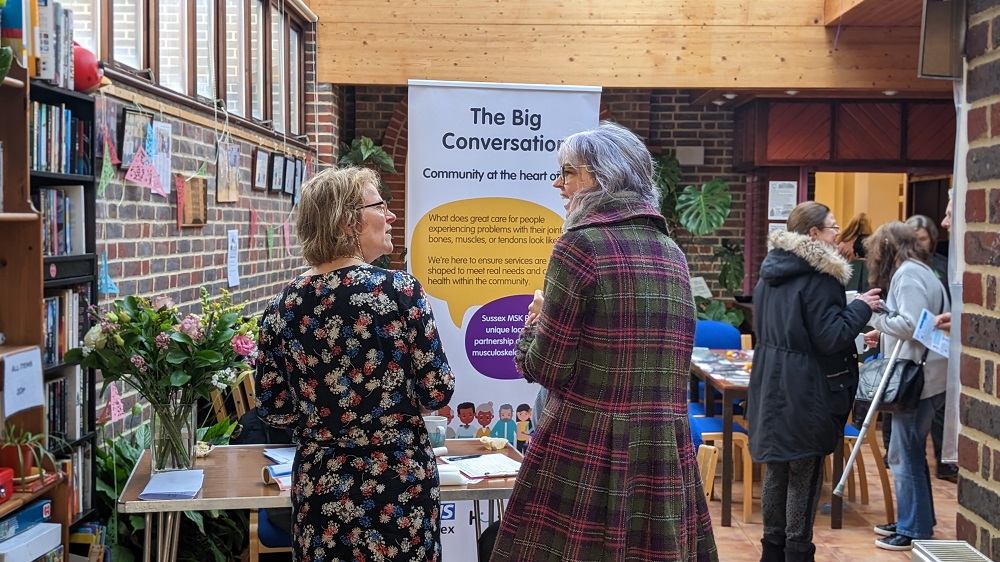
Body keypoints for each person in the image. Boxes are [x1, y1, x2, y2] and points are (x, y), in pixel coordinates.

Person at [489, 122, 717, 561]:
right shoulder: (672, 251)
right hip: (662, 452)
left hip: (587, 450)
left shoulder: (579, 245)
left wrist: (534, 323)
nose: (558, 183)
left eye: (569, 172)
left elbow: (546, 369)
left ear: (603, 177)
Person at [255, 166, 456, 562]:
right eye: (380, 205)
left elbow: (273, 409)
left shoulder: (283, 305)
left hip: (322, 485)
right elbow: (436, 391)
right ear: (348, 221)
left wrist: (326, 422)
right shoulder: (400, 291)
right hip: (399, 483)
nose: (391, 215)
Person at [747, 201, 881, 562]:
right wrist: (860, 308)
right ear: (814, 234)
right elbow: (830, 337)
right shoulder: (820, 277)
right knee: (804, 472)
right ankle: (797, 553)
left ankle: (772, 552)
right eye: (832, 227)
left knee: (776, 468)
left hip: (770, 378)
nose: (838, 234)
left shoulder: (770, 272)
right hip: (805, 384)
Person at [862, 221, 949, 551]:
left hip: (917, 378)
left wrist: (875, 318)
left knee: (904, 454)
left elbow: (910, 324)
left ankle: (913, 528)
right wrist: (885, 329)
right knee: (909, 452)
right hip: (928, 374)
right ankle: (917, 520)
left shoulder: (908, 275)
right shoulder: (921, 269)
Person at [904, 214, 958, 482]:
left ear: (933, 240)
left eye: (922, 239)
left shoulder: (943, 268)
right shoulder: (902, 270)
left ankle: (944, 460)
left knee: (937, 411)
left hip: (939, 351)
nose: (918, 244)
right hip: (910, 353)